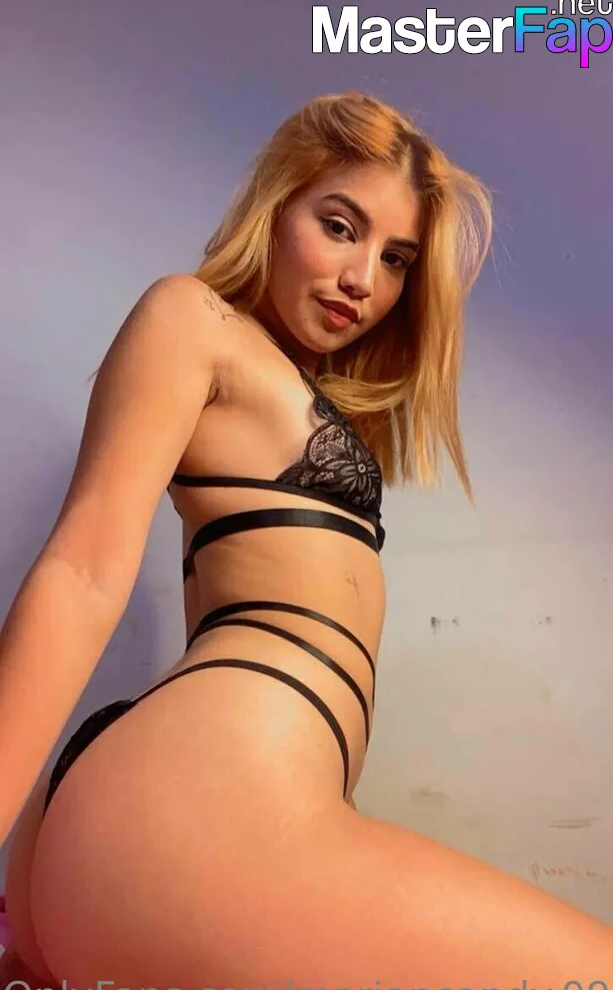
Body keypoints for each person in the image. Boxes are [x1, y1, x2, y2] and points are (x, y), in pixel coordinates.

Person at [1, 91, 611, 985]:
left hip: (210, 805)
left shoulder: (284, 384)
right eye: (338, 225)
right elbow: (84, 572)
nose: (363, 278)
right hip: (199, 804)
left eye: (394, 259)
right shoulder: (193, 319)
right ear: (278, 203)